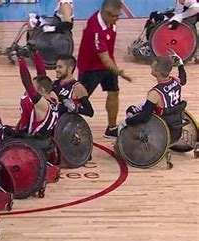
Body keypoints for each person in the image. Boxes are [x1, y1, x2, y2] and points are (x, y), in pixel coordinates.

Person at [77, 0, 132, 138]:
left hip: (108, 64)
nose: (117, 19)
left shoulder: (111, 22)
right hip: (90, 68)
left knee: (114, 92)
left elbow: (108, 55)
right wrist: (120, 72)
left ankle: (111, 128)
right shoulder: (95, 28)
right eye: (115, 16)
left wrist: (115, 69)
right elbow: (105, 59)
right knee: (79, 101)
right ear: (106, 13)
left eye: (119, 15)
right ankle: (66, 126)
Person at [118, 53, 187, 142]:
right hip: (175, 123)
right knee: (143, 104)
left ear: (157, 72)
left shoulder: (155, 93)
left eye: (153, 66)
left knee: (131, 110)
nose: (151, 65)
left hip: (163, 131)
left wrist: (126, 122)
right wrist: (180, 64)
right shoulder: (176, 81)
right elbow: (183, 78)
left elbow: (144, 116)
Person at [15, 48, 59, 138]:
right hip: (44, 141)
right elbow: (42, 75)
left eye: (34, 88)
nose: (28, 91)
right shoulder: (53, 100)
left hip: (32, 143)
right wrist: (36, 53)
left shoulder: (42, 104)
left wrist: (21, 59)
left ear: (41, 90)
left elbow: (27, 83)